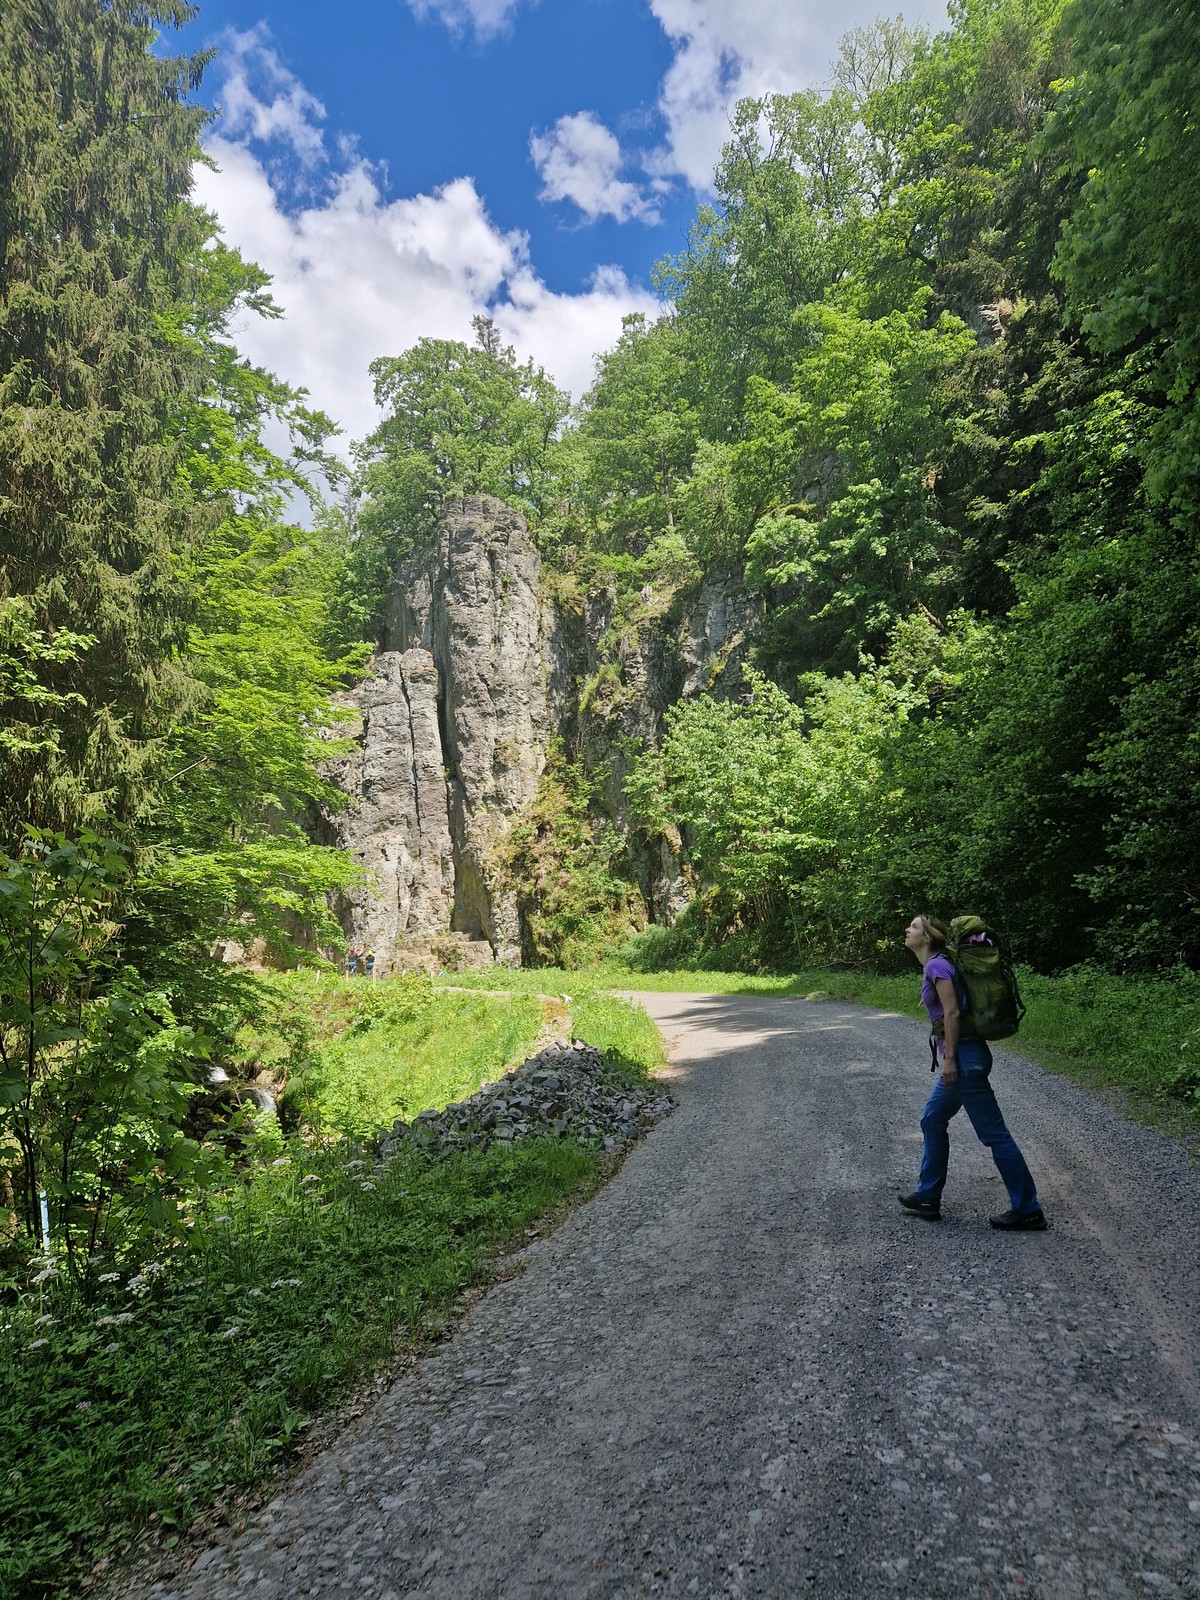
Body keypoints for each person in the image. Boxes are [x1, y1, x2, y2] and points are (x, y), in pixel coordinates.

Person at [899, 914, 1046, 1230]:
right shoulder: (938, 964)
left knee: (993, 1132)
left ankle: (1027, 1208)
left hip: (964, 1058)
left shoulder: (937, 966)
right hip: (968, 1056)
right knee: (932, 1118)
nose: (907, 930)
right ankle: (927, 1196)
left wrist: (949, 1057)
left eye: (913, 927)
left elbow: (951, 1012)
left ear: (927, 937)